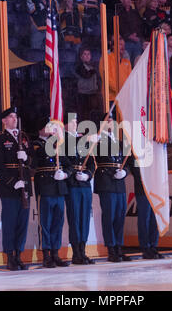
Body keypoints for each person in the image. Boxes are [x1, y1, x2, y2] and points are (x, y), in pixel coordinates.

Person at [0, 107, 33, 271]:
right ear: (4, 121)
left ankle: (19, 256)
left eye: (16, 116)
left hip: (25, 187)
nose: (14, 119)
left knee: (22, 222)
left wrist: (26, 158)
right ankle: (10, 257)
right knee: (9, 223)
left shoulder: (24, 138)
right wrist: (12, 181)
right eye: (10, 116)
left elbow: (32, 163)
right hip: (10, 188)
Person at [32, 116, 72, 268]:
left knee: (58, 223)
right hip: (46, 187)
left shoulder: (58, 146)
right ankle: (46, 255)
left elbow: (69, 165)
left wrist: (65, 174)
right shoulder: (38, 144)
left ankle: (56, 253)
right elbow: (38, 158)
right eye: (52, 128)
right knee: (46, 224)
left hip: (59, 189)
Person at [93, 112, 132, 262]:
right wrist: (93, 142)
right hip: (106, 180)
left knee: (120, 216)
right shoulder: (98, 140)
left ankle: (119, 248)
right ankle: (111, 248)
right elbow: (91, 155)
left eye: (112, 121)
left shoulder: (119, 141)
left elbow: (126, 162)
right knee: (109, 216)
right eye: (108, 121)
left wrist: (124, 172)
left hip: (119, 182)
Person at [62, 112, 96, 265]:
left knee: (84, 219)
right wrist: (74, 174)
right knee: (75, 219)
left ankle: (83, 250)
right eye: (73, 122)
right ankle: (76, 252)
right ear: (66, 125)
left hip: (84, 184)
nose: (76, 124)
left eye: (77, 121)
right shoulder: (62, 141)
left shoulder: (83, 141)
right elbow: (64, 162)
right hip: (72, 183)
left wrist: (88, 175)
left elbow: (91, 164)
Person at [129, 155, 164, 259]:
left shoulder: (154, 150)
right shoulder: (137, 150)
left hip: (155, 189)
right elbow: (135, 169)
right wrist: (145, 181)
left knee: (155, 218)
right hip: (143, 187)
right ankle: (145, 247)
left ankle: (153, 246)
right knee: (144, 218)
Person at [99, 35, 132, 103]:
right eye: (120, 44)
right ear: (113, 46)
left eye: (123, 45)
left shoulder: (127, 62)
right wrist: (120, 90)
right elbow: (107, 79)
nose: (122, 47)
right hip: (111, 99)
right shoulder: (106, 58)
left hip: (124, 99)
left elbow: (130, 80)